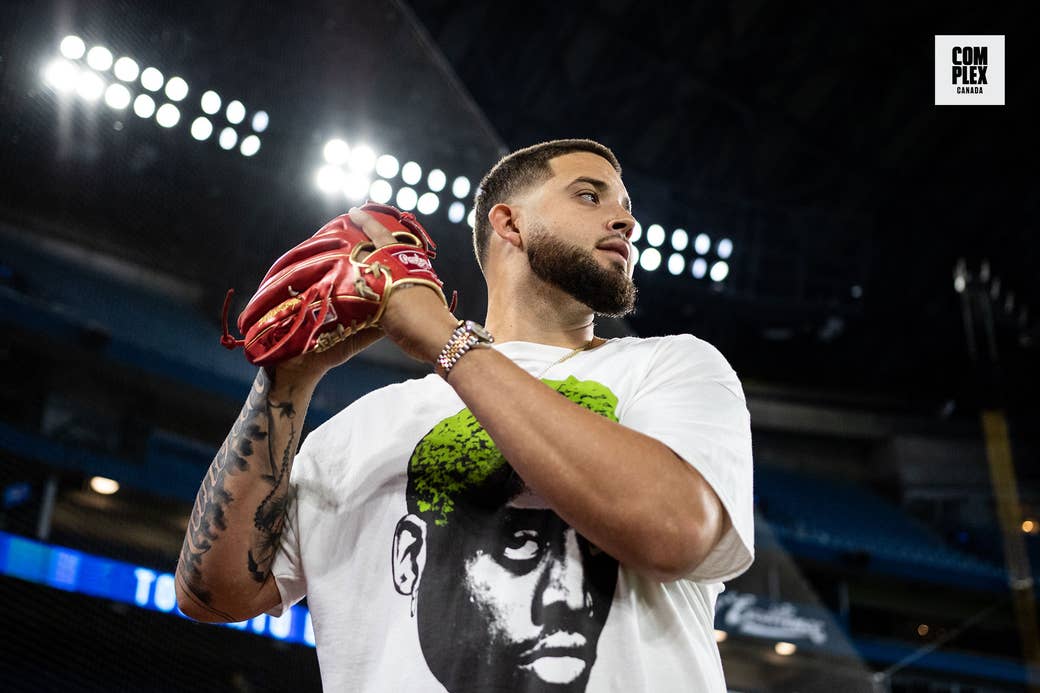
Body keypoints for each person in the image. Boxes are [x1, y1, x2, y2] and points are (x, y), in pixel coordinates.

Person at [176, 139, 754, 692]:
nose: (624, 221)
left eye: (626, 207)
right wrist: (285, 384)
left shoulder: (672, 367)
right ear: (509, 224)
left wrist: (443, 339)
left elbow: (673, 530)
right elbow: (212, 595)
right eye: (589, 195)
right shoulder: (360, 430)